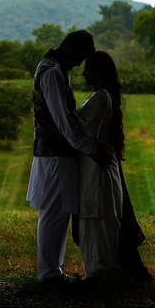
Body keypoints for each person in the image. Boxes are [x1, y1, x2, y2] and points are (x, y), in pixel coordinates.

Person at [26, 30, 111, 284]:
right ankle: (49, 273)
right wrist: (91, 148)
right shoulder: (52, 73)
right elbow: (62, 121)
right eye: (80, 57)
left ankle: (53, 270)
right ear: (71, 48)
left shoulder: (52, 68)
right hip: (55, 153)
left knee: (59, 210)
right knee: (54, 211)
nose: (79, 65)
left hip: (54, 151)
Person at [75, 50, 152, 283]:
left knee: (97, 217)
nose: (84, 73)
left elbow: (75, 127)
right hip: (98, 168)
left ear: (100, 72)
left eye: (89, 68)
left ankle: (100, 272)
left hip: (96, 170)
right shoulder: (105, 97)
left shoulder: (100, 98)